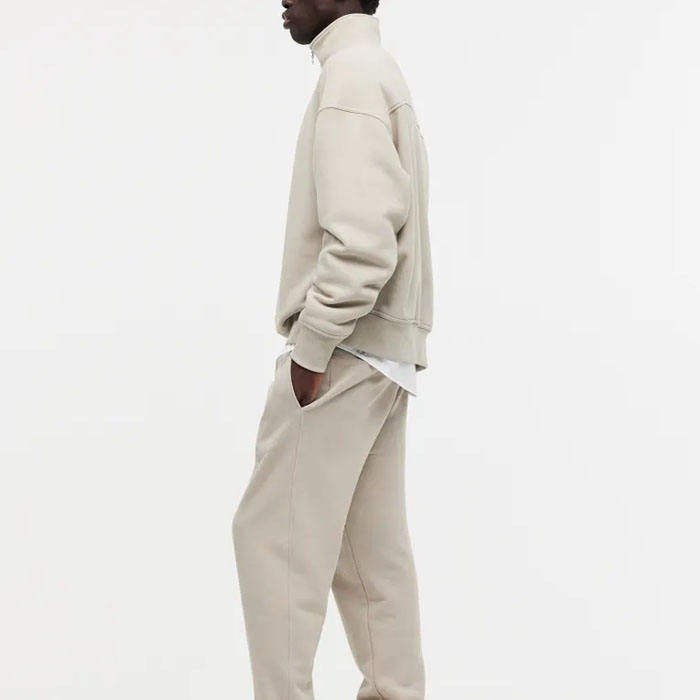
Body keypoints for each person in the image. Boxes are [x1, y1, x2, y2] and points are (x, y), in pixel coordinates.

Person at [232, 2, 433, 698]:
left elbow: (363, 242)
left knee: (272, 544)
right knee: (370, 559)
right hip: (383, 355)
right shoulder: (377, 71)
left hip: (343, 353)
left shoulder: (350, 77)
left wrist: (311, 351)